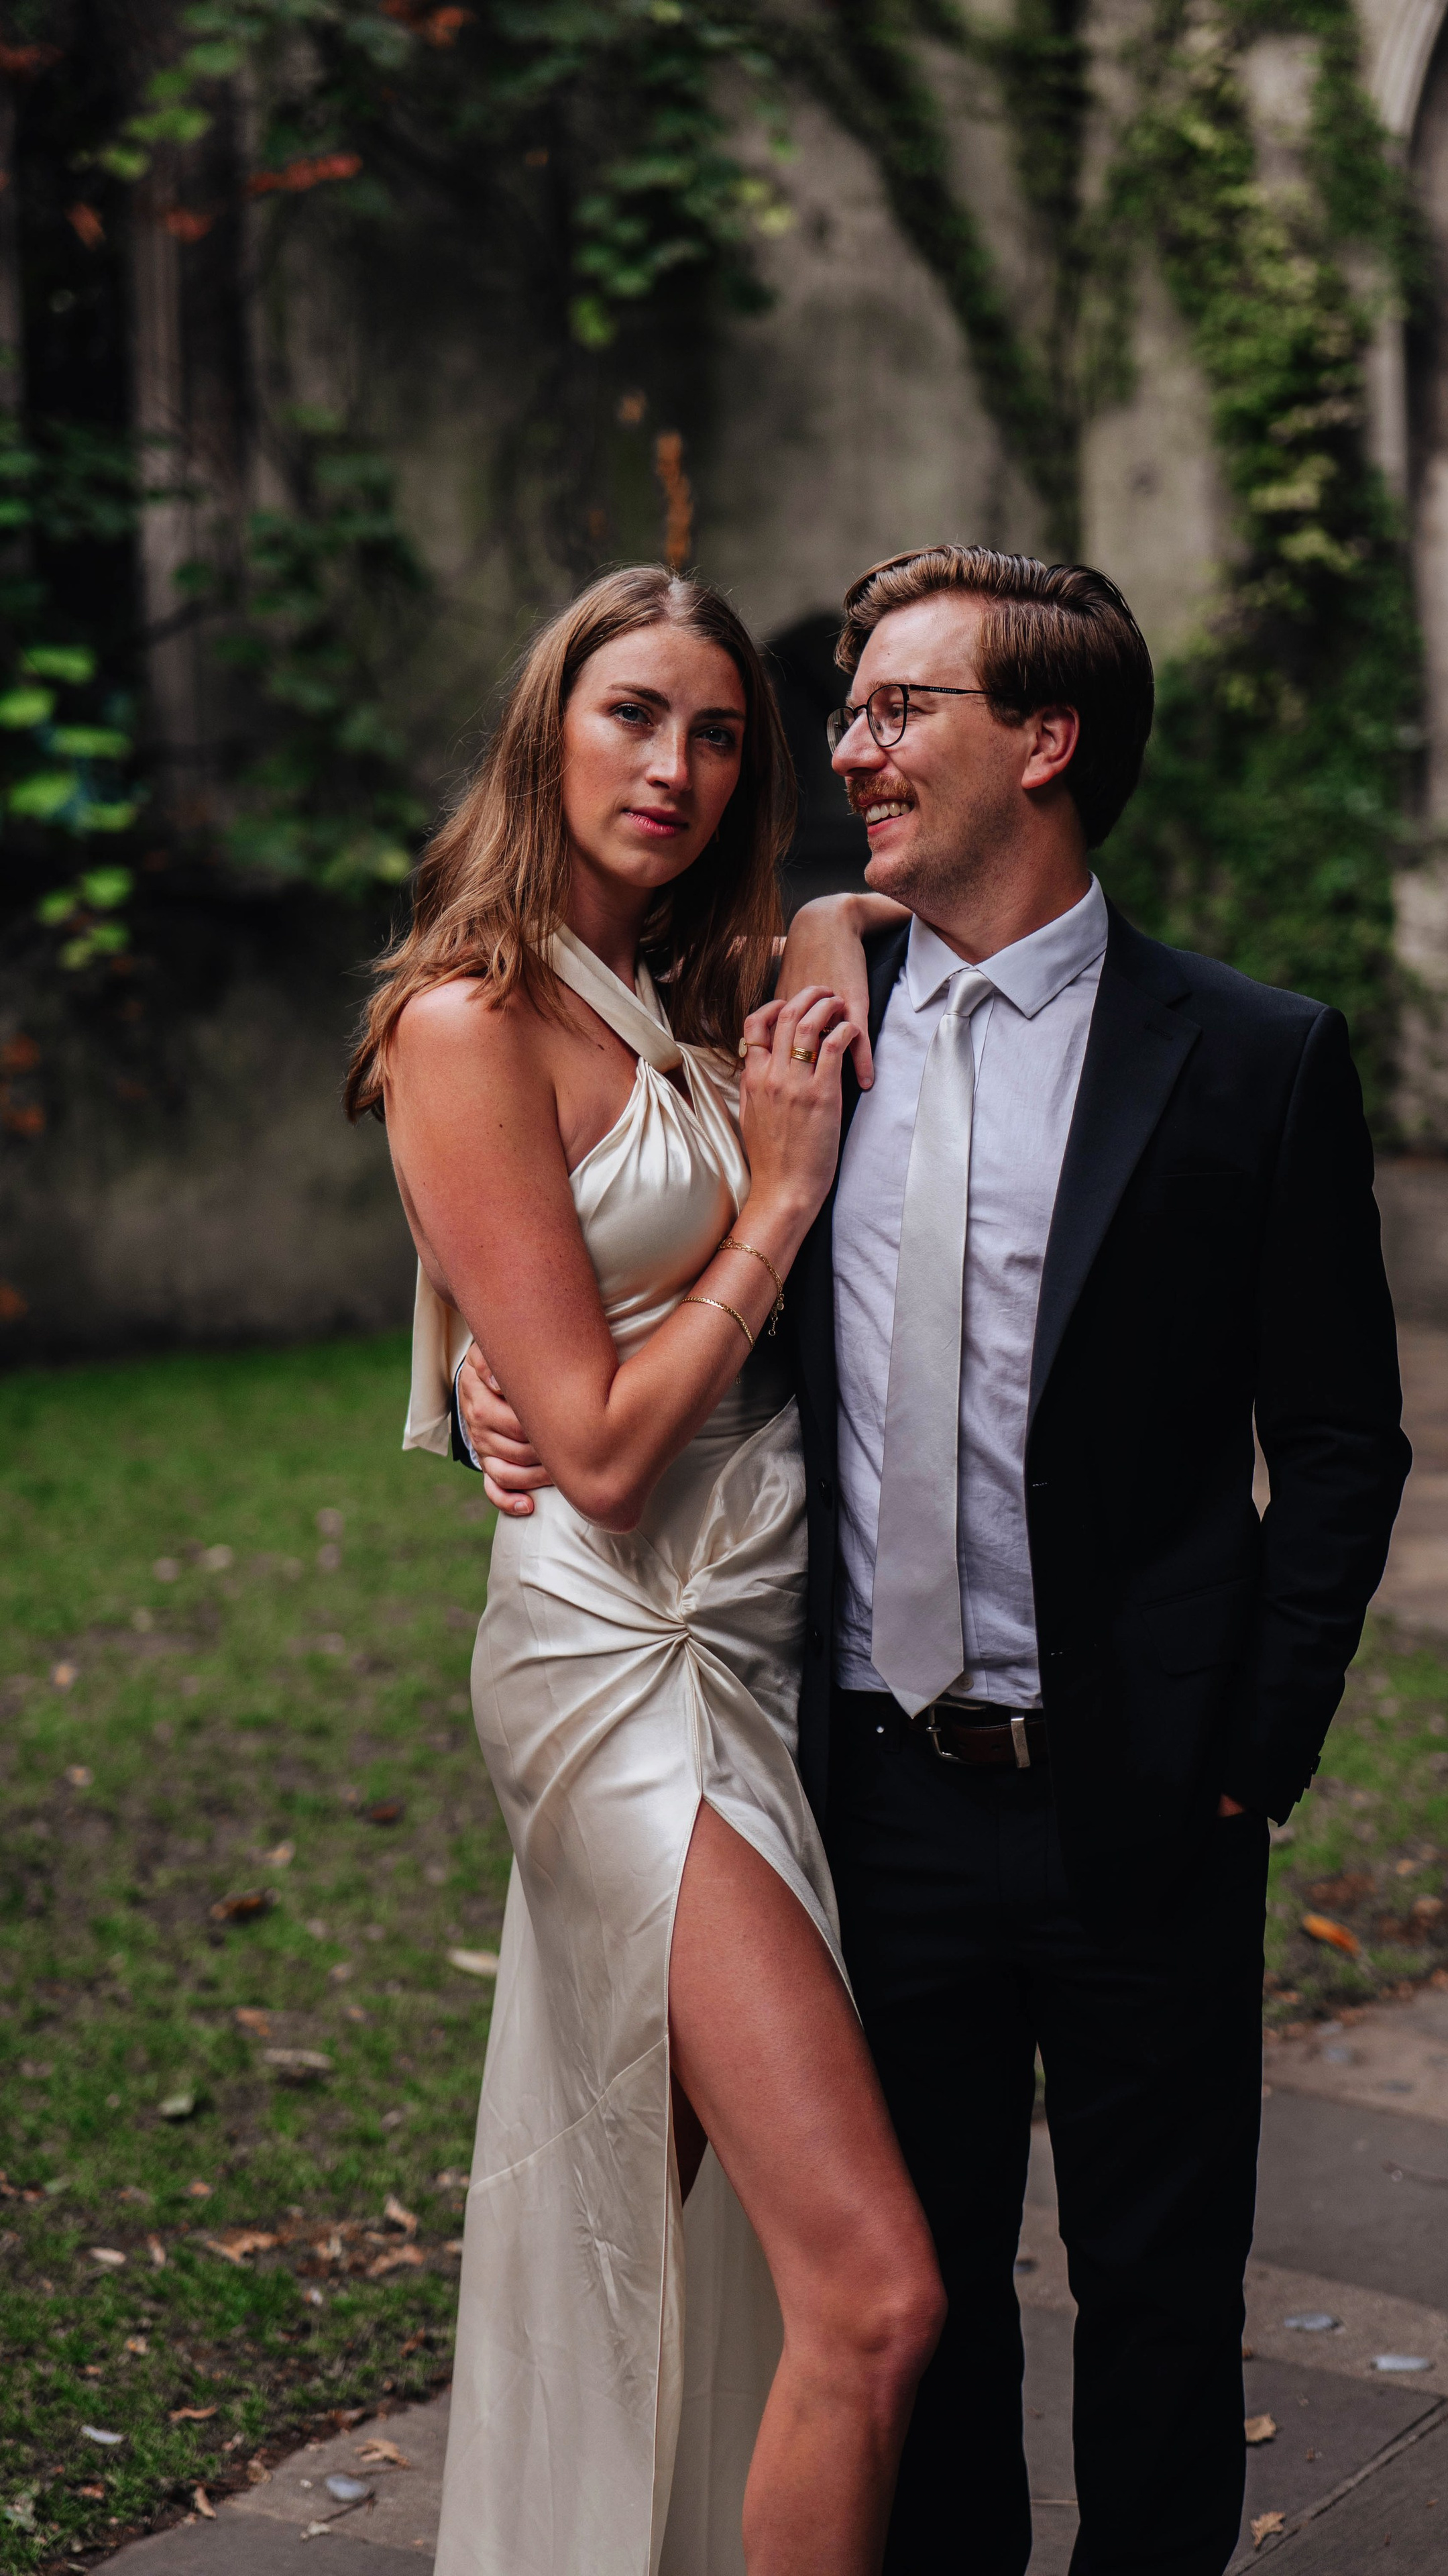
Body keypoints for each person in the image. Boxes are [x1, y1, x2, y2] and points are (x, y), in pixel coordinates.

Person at [461, 543, 1412, 2573]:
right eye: (854, 708)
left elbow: (1337, 1443)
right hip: (871, 1791)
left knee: (1164, 2309)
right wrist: (478, 1384)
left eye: (899, 708)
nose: (850, 747)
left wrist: (1254, 1746)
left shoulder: (1251, 1058)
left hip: (1153, 1793)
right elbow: (587, 1215)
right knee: (926, 2314)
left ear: (1044, 740)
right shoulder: (804, 1010)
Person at [346, 564, 944, 2576]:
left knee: (694, 2257)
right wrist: (777, 1202)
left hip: (762, 1651)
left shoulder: (707, 989)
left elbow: (847, 922)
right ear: (547, 729)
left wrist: (850, 915)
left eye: (713, 734)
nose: (672, 766)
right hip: (624, 1671)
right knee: (874, 2293)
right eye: (630, 717)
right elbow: (594, 1445)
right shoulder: (465, 1021)